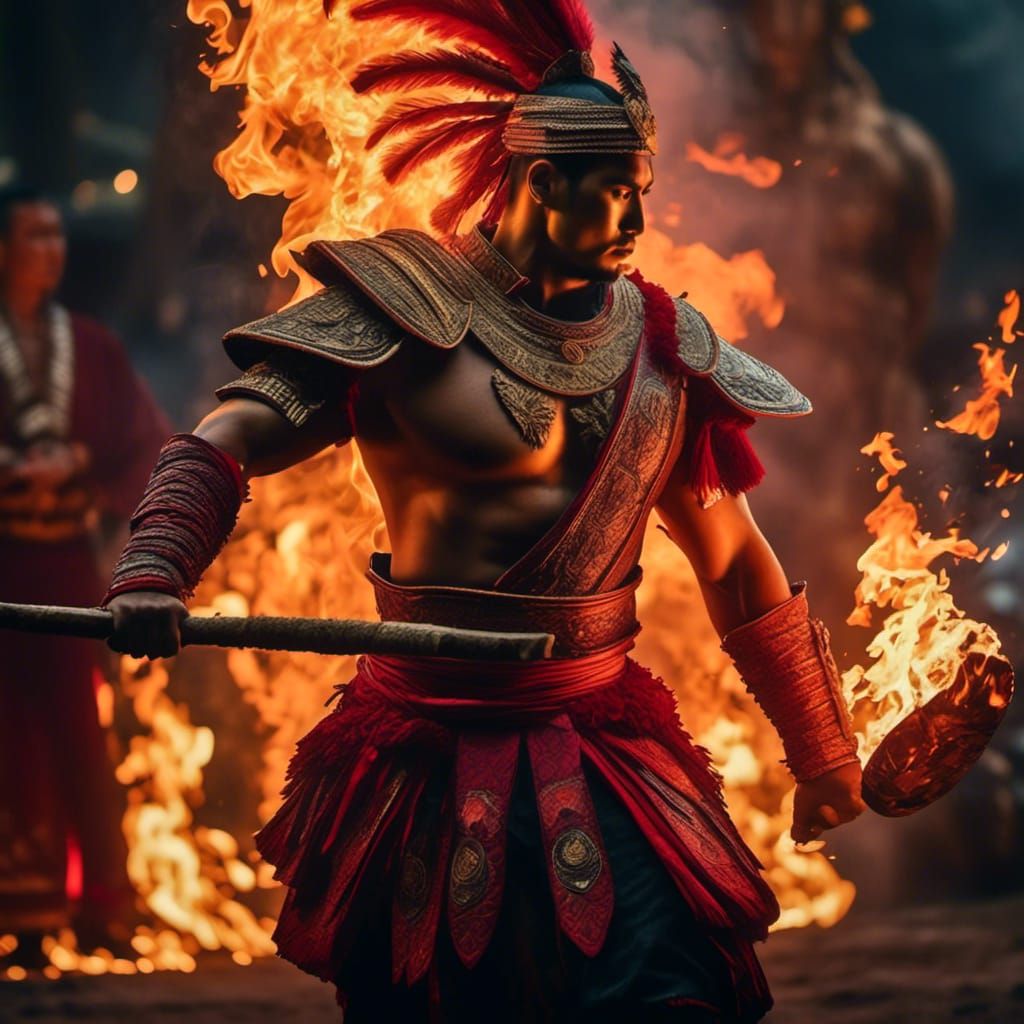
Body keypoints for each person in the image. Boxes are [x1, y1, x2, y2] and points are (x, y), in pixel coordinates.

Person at [103, 1, 864, 1019]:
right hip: (422, 753)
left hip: (601, 746)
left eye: (643, 194)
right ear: (543, 184)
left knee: (677, 992)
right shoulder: (402, 310)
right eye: (616, 197)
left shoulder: (665, 348)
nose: (638, 225)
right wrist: (157, 569)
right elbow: (231, 434)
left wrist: (820, 752)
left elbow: (730, 561)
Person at [0, 185, 170, 961]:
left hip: (67, 563)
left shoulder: (92, 345)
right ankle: (24, 916)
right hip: (2, 566)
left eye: (57, 236)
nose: (51, 250)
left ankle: (104, 906)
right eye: (34, 235)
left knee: (77, 729)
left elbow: (143, 439)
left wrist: (83, 474)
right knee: (10, 733)